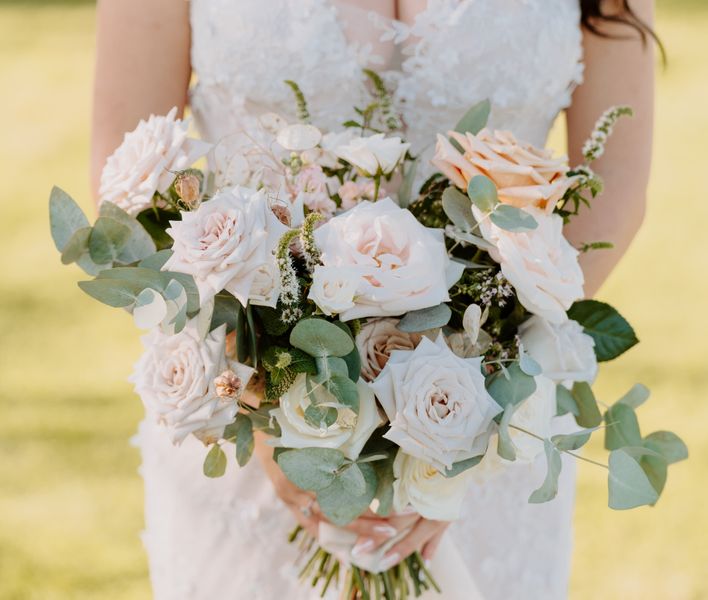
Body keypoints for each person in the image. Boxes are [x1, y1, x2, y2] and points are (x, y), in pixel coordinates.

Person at [91, 1, 656, 598]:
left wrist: (471, 404)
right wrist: (258, 402)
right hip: (243, 423)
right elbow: (125, 179)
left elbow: (613, 179)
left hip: (493, 421)